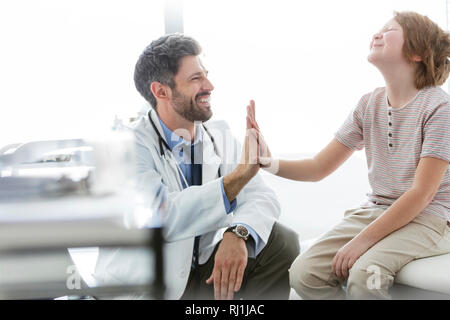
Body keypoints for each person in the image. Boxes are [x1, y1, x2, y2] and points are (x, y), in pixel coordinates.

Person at [248, 11, 450, 299]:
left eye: (390, 30)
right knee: (304, 273)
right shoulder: (368, 104)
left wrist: (361, 242)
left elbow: (422, 194)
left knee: (366, 275)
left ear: (419, 52)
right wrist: (267, 162)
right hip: (377, 210)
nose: (377, 34)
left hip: (430, 219)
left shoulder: (439, 108)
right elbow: (318, 167)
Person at [94, 33, 299, 300]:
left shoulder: (217, 134)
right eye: (195, 79)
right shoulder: (129, 146)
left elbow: (262, 196)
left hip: (197, 273)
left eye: (206, 74)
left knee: (281, 241)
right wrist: (237, 178)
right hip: (149, 285)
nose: (210, 85)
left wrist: (238, 233)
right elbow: (160, 217)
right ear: (161, 91)